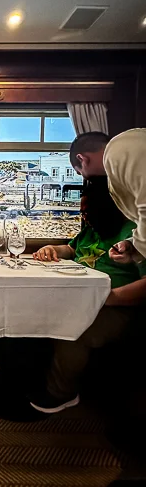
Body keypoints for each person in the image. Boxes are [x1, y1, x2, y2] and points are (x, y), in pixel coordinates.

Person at [29, 177, 146, 413]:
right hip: (81, 299)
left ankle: (60, 392)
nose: (83, 216)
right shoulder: (92, 230)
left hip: (116, 307)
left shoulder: (134, 235)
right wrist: (53, 249)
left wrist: (107, 297)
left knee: (74, 329)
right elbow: (72, 249)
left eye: (86, 210)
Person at [68, 129, 146, 264]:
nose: (86, 178)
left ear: (82, 159)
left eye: (80, 172)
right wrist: (133, 246)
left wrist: (138, 248)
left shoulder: (118, 151)